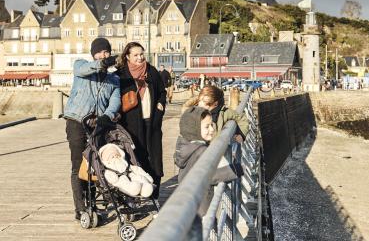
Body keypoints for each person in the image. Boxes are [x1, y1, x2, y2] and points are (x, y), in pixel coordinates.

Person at [62, 37, 120, 221]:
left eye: (107, 52)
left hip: (97, 125)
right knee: (78, 165)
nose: (105, 54)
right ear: (94, 53)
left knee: (95, 165)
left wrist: (106, 116)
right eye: (101, 52)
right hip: (76, 121)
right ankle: (80, 208)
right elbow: (84, 69)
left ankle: (93, 203)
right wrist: (103, 63)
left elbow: (115, 102)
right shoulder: (82, 66)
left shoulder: (114, 79)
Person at [115, 42, 166, 198]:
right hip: (131, 125)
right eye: (136, 55)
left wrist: (160, 105)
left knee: (154, 156)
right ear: (128, 57)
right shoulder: (121, 75)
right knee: (136, 157)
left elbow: (162, 92)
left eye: (141, 54)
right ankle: (135, 192)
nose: (140, 57)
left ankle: (154, 192)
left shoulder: (152, 71)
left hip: (152, 122)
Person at [173, 106, 238, 216]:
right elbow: (208, 176)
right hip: (200, 206)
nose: (212, 129)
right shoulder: (201, 151)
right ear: (194, 130)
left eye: (211, 125)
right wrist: (235, 170)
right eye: (207, 127)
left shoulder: (185, 146)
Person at [183, 85, 249, 142]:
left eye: (204, 102)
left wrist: (241, 134)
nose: (200, 104)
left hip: (215, 148)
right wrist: (199, 97)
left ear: (215, 103)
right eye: (200, 101)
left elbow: (242, 118)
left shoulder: (224, 112)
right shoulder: (196, 111)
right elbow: (185, 108)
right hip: (199, 149)